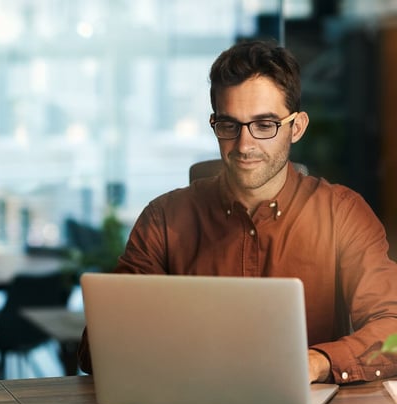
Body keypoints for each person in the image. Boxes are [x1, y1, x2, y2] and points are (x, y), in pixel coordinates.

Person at [78, 39, 397, 384]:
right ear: (214, 124)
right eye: (230, 125)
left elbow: (392, 331)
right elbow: (98, 347)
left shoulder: (342, 214)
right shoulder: (164, 219)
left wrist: (317, 362)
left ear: (298, 127)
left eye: (265, 125)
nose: (244, 146)